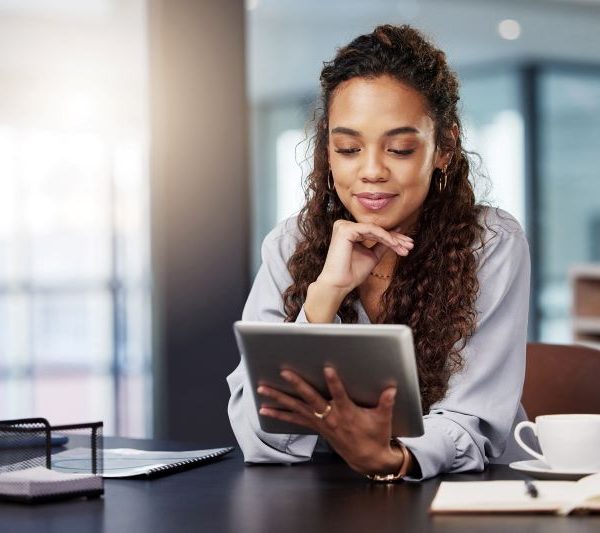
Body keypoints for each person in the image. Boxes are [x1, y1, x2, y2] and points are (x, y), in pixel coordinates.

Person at [227, 24, 531, 481]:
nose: (371, 171)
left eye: (400, 149)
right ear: (327, 152)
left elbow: (474, 423)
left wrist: (393, 459)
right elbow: (261, 437)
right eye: (348, 148)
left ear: (443, 148)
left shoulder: (490, 242)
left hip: (472, 497)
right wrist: (324, 298)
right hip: (334, 502)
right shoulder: (289, 244)